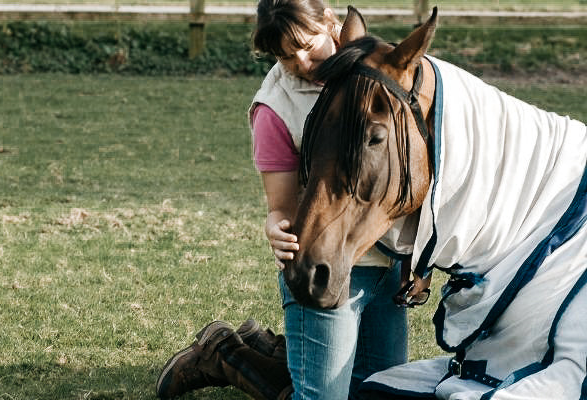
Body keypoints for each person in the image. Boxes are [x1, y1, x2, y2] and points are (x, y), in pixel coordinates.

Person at [156, 0, 408, 399]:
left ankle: (263, 349)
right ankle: (226, 356)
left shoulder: (380, 68)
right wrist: (275, 224)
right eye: (285, 57)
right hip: (327, 268)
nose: (303, 64)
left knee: (380, 393)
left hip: (388, 266)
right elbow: (282, 207)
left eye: (308, 46)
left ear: (331, 23)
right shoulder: (276, 108)